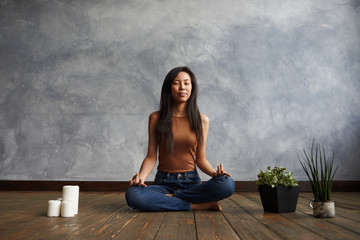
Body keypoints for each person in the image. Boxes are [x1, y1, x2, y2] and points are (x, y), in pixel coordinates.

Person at [125, 66, 235, 211]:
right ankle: (194, 205)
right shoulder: (156, 118)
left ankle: (170, 199)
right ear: (169, 88)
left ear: (192, 87)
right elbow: (151, 157)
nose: (182, 87)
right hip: (163, 182)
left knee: (227, 184)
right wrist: (141, 179)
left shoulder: (202, 120)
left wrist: (215, 174)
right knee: (133, 195)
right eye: (176, 83)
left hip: (191, 182)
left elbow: (200, 159)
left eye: (186, 83)